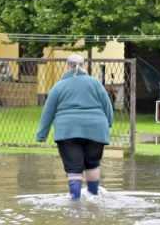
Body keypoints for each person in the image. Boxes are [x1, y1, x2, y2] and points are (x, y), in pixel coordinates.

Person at [36, 54, 113, 200]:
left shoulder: (59, 86)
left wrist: (42, 135)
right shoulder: (95, 83)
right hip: (96, 130)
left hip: (68, 132)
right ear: (83, 66)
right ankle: (93, 197)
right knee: (92, 164)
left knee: (74, 168)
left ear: (67, 66)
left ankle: (75, 201)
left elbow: (48, 112)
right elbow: (107, 105)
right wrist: (108, 123)